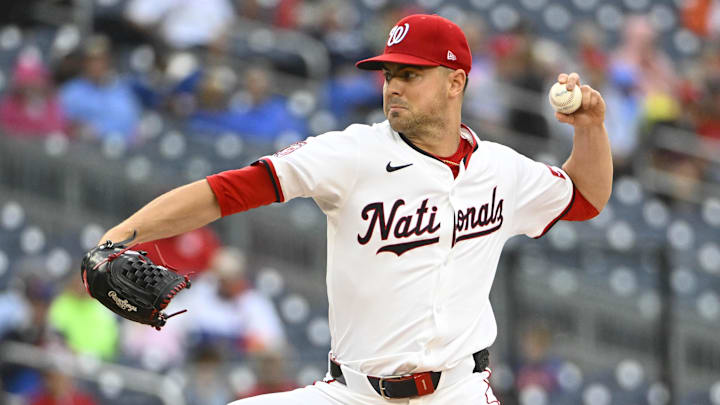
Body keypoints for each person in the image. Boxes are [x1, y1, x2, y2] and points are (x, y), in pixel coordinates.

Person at [95, 14, 612, 404]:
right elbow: (225, 191)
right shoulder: (350, 153)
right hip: (353, 393)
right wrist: (118, 237)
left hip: (458, 392)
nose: (393, 85)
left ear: (456, 82)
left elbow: (584, 197)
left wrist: (590, 127)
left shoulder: (500, 169)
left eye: (411, 74)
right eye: (389, 73)